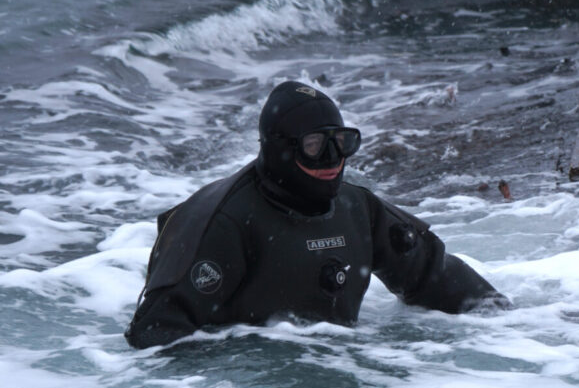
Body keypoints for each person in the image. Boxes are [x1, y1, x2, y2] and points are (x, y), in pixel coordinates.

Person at [125, 80, 506, 349]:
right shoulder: (223, 223)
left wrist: (519, 326)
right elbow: (156, 337)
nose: (331, 160)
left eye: (341, 143)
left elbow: (434, 278)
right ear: (279, 149)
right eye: (314, 146)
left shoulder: (358, 210)